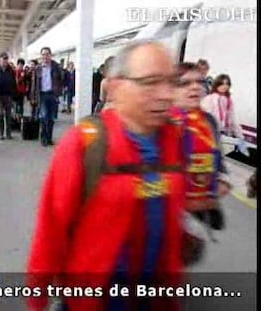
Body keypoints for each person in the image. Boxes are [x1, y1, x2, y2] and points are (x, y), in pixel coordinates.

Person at [26, 40, 186, 310]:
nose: (166, 94)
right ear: (115, 87)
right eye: (150, 83)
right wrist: (37, 297)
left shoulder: (173, 140)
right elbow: (50, 229)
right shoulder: (84, 144)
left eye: (171, 82)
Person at [171, 62, 231, 242]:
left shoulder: (208, 121)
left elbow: (218, 157)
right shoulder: (162, 121)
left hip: (199, 205)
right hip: (169, 208)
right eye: (185, 83)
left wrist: (222, 180)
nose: (195, 87)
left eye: (199, 82)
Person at [200, 74, 249, 155]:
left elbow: (233, 119)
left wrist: (240, 136)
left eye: (227, 84)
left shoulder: (229, 100)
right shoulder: (209, 99)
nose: (225, 86)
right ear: (217, 85)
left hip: (223, 134)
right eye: (222, 83)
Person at [32, 47, 63, 147]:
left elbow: (61, 79)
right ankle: (43, 138)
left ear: (50, 55)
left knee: (51, 118)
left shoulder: (55, 66)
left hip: (52, 95)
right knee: (44, 117)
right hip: (42, 95)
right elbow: (34, 83)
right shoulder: (37, 68)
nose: (45, 56)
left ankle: (49, 138)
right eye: (43, 54)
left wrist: (58, 92)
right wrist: (33, 97)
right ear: (41, 56)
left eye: (47, 54)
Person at [0, 52, 17, 140]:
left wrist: (14, 96)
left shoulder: (11, 71)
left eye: (6, 59)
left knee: (8, 116)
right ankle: (1, 134)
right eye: (3, 60)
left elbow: (14, 84)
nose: (5, 61)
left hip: (8, 96)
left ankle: (9, 133)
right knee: (0, 115)